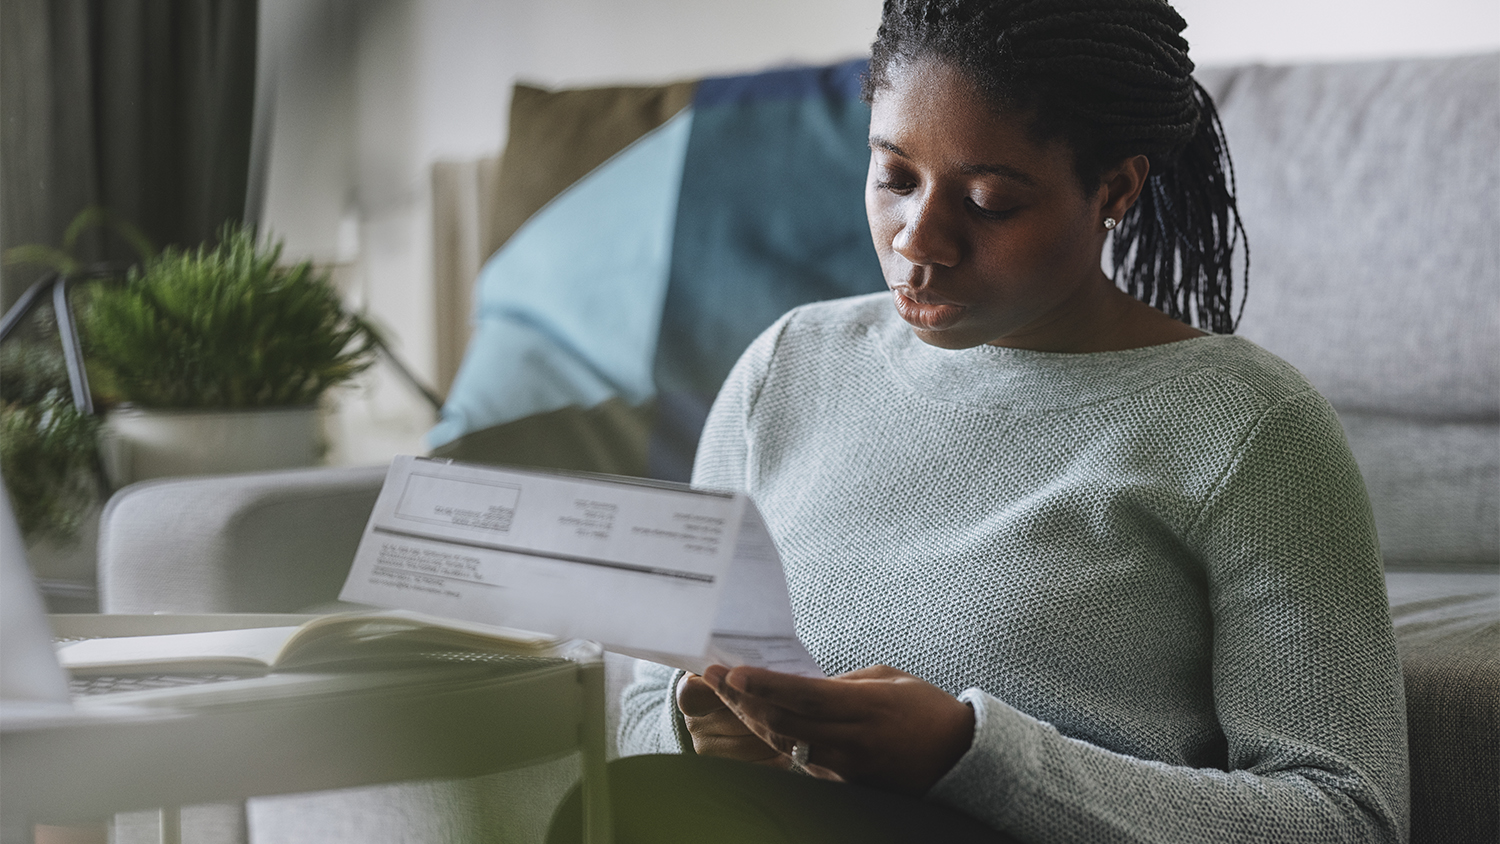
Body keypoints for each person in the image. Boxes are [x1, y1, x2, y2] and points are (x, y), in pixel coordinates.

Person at [565, 1, 1410, 841]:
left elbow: (1346, 816)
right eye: (895, 177)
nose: (918, 240)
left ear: (1113, 189)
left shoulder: (1251, 427)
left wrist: (969, 759)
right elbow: (646, 700)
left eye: (988, 201)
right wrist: (694, 727)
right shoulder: (787, 364)